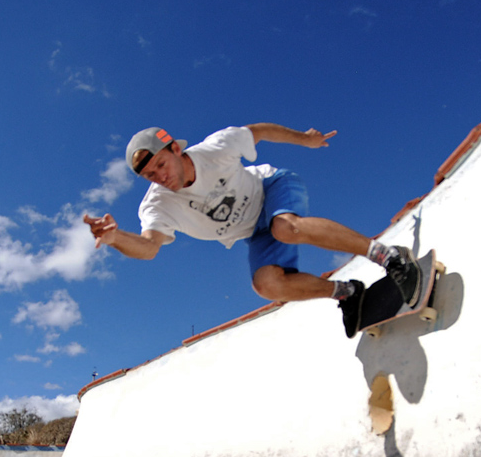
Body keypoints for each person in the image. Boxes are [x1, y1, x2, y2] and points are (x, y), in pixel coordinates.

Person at [83, 123, 421, 336]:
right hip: (252, 230)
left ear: (175, 149)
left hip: (272, 187)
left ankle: (389, 257)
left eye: (161, 165)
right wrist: (115, 238)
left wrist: (306, 140)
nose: (161, 178)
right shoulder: (157, 205)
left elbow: (259, 131)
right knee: (266, 284)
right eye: (151, 176)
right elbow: (149, 246)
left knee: (286, 228)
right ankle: (348, 292)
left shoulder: (215, 149)